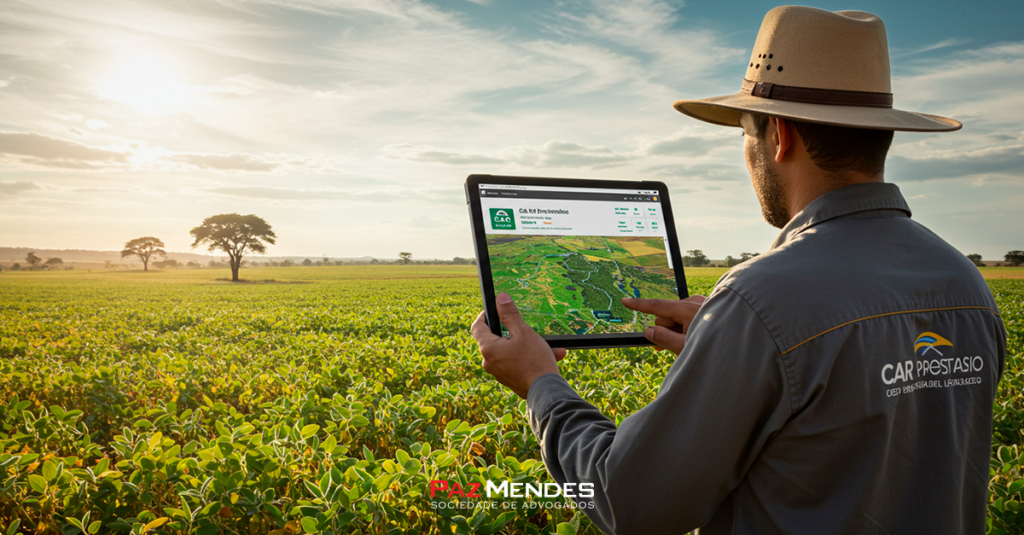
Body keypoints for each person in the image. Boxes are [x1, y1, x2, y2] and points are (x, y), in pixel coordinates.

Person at [471, 6, 1007, 535]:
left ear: (778, 136)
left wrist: (540, 383)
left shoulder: (763, 298)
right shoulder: (963, 280)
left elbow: (630, 501)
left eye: (745, 133)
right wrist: (735, 349)